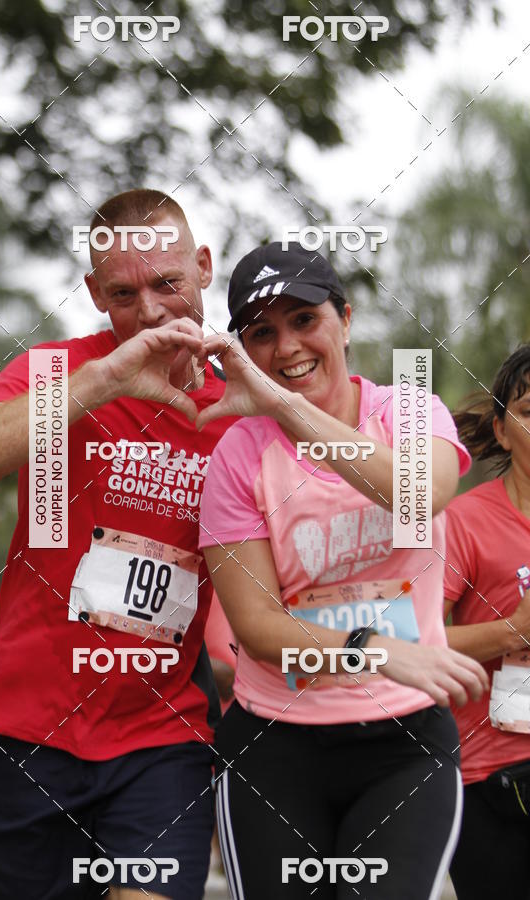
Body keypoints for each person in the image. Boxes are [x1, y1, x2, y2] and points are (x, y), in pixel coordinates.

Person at [0, 189, 236, 900]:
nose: (154, 310)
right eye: (125, 294)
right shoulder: (56, 374)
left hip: (162, 740)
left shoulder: (239, 411)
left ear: (203, 267)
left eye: (169, 283)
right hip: (25, 737)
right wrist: (100, 381)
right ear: (95, 294)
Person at [194, 241, 488, 899]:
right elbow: (259, 627)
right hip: (274, 747)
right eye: (262, 333)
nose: (288, 345)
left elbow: (418, 494)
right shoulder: (238, 457)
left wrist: (283, 407)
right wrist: (375, 651)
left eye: (305, 320)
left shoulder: (408, 412)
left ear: (346, 320)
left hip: (404, 745)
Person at [444, 344, 530, 900]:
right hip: (492, 780)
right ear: (501, 431)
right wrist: (512, 631)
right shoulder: (465, 522)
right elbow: (412, 640)